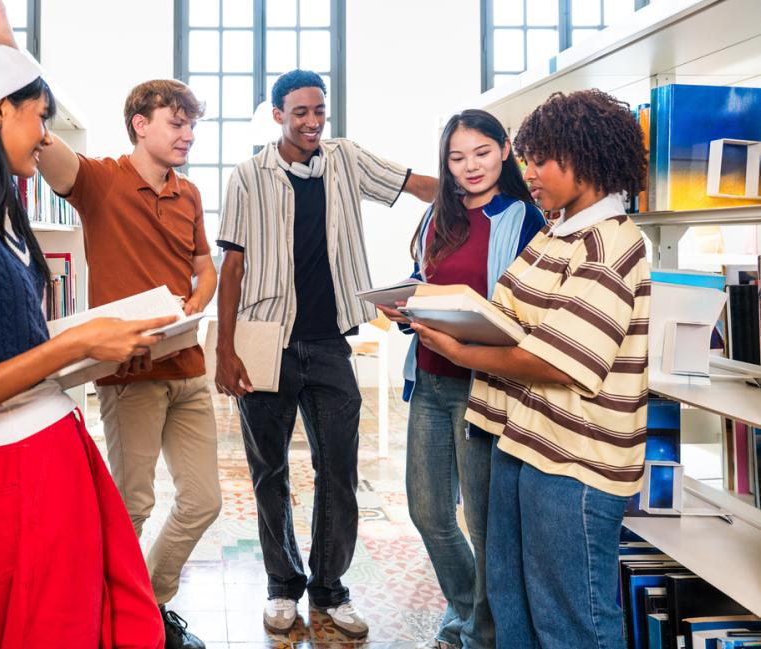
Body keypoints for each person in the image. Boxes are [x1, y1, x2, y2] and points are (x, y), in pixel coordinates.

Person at [0, 0, 221, 649]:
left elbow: (205, 263)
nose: (189, 134)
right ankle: (131, 620)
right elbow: (42, 141)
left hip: (189, 364)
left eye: (193, 125)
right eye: (178, 122)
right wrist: (5, 44)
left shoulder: (191, 192)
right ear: (141, 123)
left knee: (203, 501)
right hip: (130, 373)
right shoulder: (99, 181)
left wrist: (200, 298)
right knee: (130, 505)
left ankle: (148, 604)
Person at [0, 43, 172, 649]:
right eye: (39, 116)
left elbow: (15, 350)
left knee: (111, 618)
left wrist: (96, 347)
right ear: (2, 113)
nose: (42, 133)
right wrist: (74, 342)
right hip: (22, 469)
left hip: (57, 444)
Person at [409, 89, 650, 649]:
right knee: (515, 605)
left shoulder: (612, 242)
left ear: (584, 158)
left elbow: (558, 359)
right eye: (528, 158)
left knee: (571, 620)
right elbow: (509, 315)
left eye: (540, 159)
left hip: (575, 460)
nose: (529, 171)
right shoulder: (553, 232)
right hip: (523, 441)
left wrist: (459, 349)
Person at [214, 69, 439, 639]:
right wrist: (224, 349)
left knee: (338, 471)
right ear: (277, 116)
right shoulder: (247, 176)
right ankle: (281, 586)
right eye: (300, 114)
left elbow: (414, 185)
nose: (312, 123)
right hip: (266, 341)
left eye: (319, 112)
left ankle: (332, 588)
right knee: (269, 473)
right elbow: (232, 267)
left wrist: (484, 191)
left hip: (330, 344)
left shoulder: (344, 158)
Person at [378, 109, 544, 649]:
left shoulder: (523, 217)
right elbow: (430, 282)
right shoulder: (436, 217)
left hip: (485, 387)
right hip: (429, 380)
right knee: (428, 512)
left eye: (481, 153)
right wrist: (405, 303)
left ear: (504, 150)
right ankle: (471, 612)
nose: (470, 167)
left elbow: (526, 309)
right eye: (456, 158)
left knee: (484, 522)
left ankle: (480, 633)